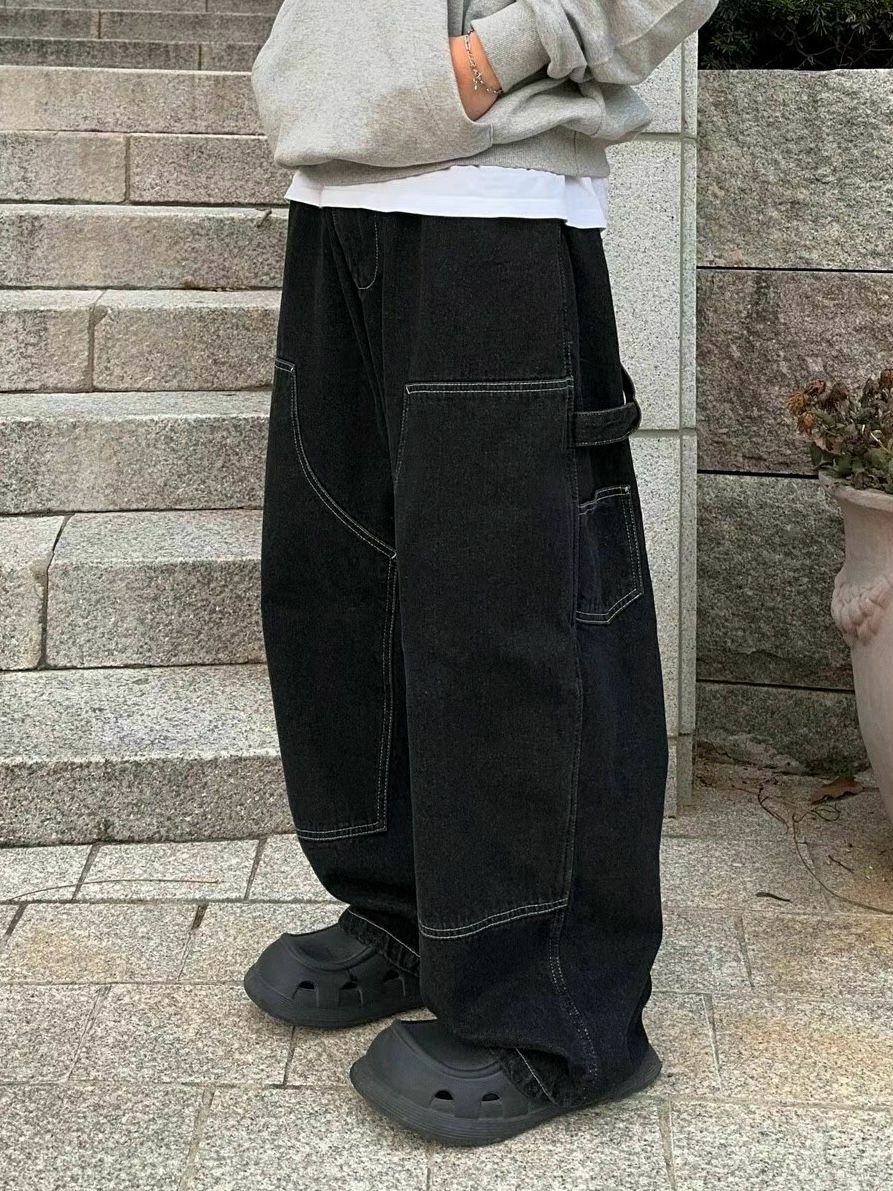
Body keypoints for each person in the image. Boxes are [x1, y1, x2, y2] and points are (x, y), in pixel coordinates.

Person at [245, 0, 717, 1146]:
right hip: (335, 189)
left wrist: (502, 50)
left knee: (513, 617)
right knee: (339, 593)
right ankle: (411, 914)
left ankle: (556, 1008)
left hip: (496, 204)